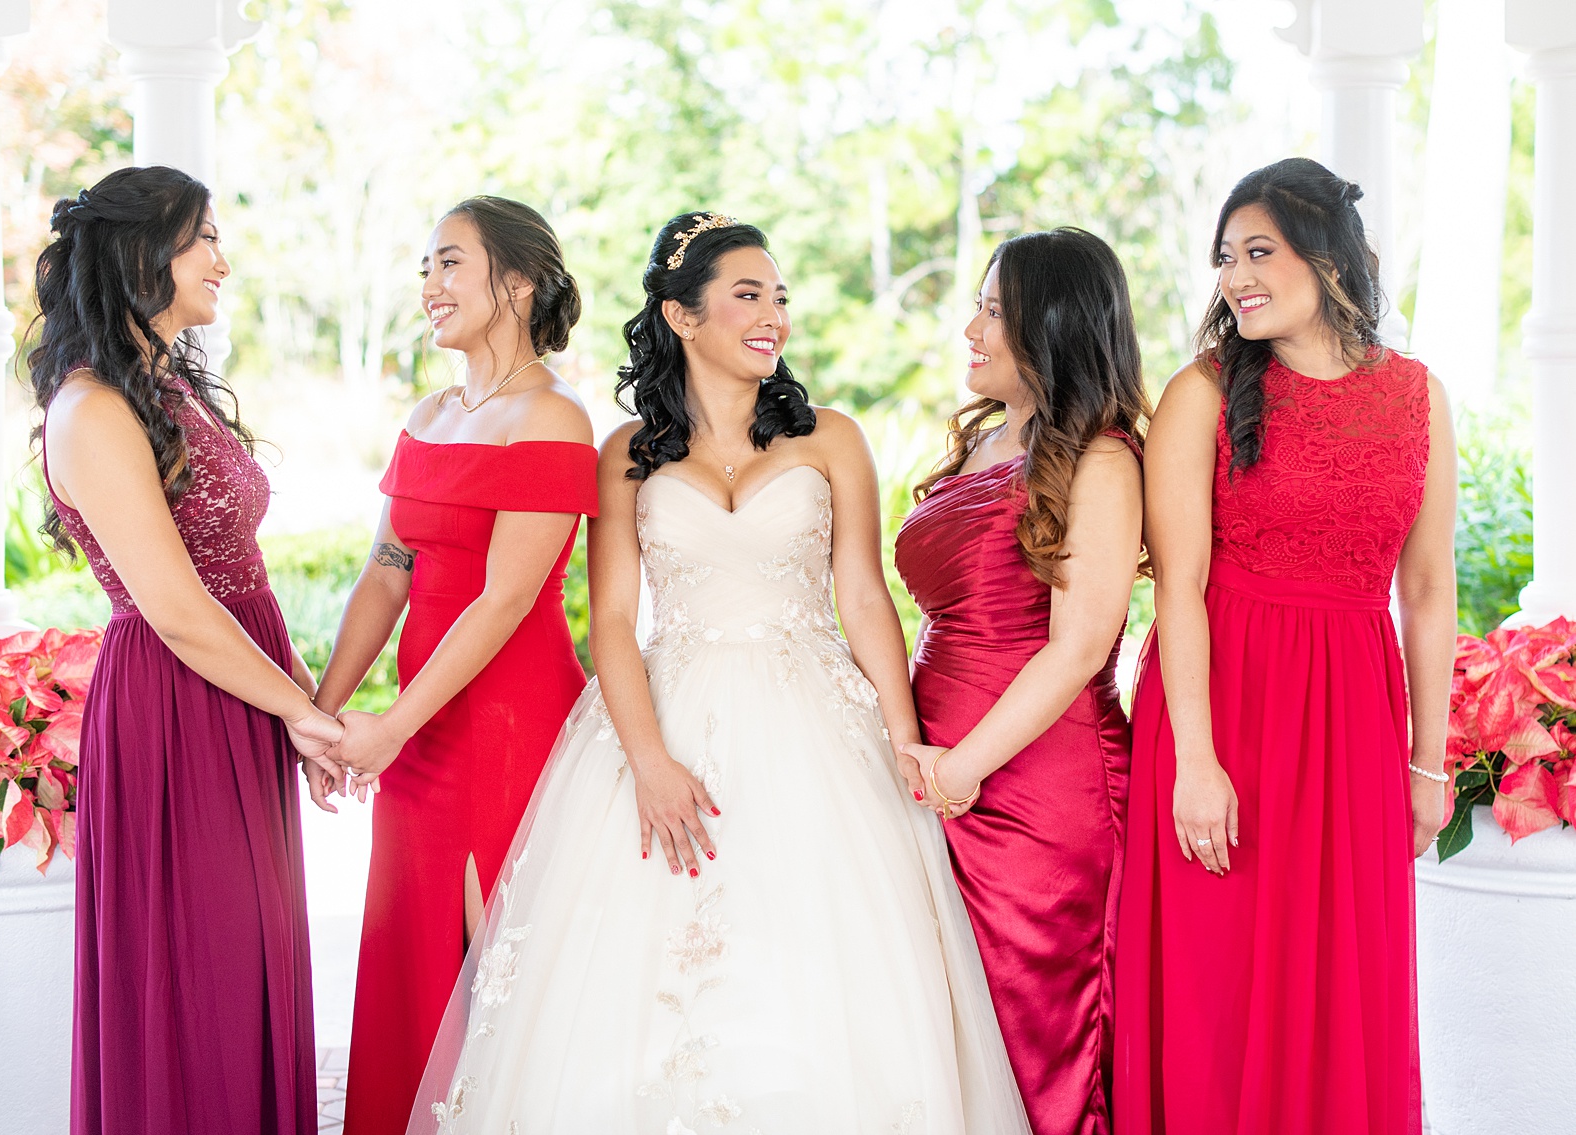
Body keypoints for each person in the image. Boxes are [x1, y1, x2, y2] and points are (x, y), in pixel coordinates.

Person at [404, 213, 1028, 1134]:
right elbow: (612, 621)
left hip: (821, 726)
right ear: (681, 316)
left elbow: (863, 597)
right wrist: (650, 760)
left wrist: (904, 737)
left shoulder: (831, 439)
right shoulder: (624, 453)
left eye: (780, 296)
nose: (774, 314)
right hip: (670, 711)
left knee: (821, 978)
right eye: (749, 295)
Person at [1113, 157, 1457, 1135]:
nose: (1232, 276)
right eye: (1223, 256)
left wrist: (1426, 766)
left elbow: (1427, 590)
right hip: (1222, 711)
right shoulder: (1201, 393)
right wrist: (1194, 761)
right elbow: (1174, 585)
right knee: (1215, 990)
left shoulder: (1418, 400)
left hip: (1350, 722)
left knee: (1337, 983)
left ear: (1330, 260)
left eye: (1255, 251)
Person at [28, 165, 340, 1135]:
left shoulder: (166, 386)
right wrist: (299, 708)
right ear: (138, 253)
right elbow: (173, 605)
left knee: (251, 959)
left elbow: (237, 574)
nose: (223, 259)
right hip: (174, 707)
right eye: (202, 237)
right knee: (198, 974)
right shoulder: (91, 409)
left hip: (237, 690)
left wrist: (297, 705)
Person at [307, 197, 598, 1135]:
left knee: (495, 957)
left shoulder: (553, 417)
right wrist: (324, 713)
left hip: (508, 716)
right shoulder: (429, 413)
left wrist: (389, 728)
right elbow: (387, 575)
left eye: (448, 264)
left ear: (515, 281)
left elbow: (504, 600)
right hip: (418, 727)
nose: (428, 286)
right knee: (408, 949)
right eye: (425, 266)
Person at [895, 228, 1147, 1135]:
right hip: (939, 770)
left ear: (1051, 326)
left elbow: (1079, 647)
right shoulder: (986, 442)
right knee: (948, 1034)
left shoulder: (1105, 458)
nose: (971, 327)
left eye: (995, 310)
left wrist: (966, 766)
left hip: (1039, 784)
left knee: (1035, 1034)